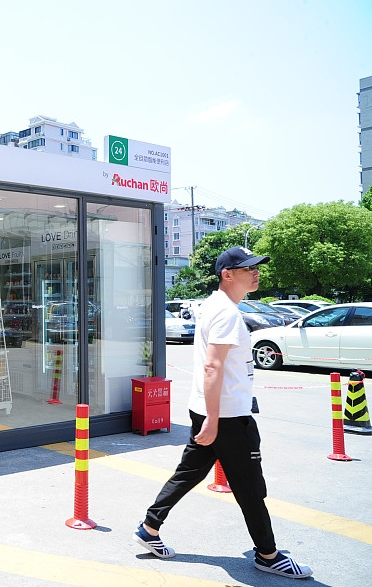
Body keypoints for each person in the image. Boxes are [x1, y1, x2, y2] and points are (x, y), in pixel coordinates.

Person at [133, 246, 312, 580]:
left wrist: (209, 416)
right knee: (250, 487)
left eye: (257, 267)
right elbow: (212, 367)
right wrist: (215, 420)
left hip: (210, 409)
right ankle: (268, 554)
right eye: (248, 268)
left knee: (189, 473)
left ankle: (149, 528)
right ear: (227, 274)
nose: (256, 272)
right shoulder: (227, 313)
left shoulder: (215, 306)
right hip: (226, 416)